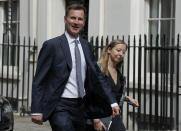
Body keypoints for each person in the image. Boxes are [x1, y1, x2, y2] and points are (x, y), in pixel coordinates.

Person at [31, 3, 120, 131]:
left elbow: (98, 76)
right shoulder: (52, 45)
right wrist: (36, 109)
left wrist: (113, 101)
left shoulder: (86, 46)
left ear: (84, 22)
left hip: (81, 106)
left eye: (80, 19)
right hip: (59, 105)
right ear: (65, 19)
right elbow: (39, 79)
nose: (76, 22)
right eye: (73, 18)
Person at [86, 40, 139, 131]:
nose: (121, 54)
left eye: (123, 52)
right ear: (109, 50)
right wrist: (96, 120)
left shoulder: (119, 74)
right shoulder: (98, 69)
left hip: (114, 117)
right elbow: (89, 95)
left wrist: (127, 99)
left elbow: (113, 93)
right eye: (118, 50)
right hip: (99, 118)